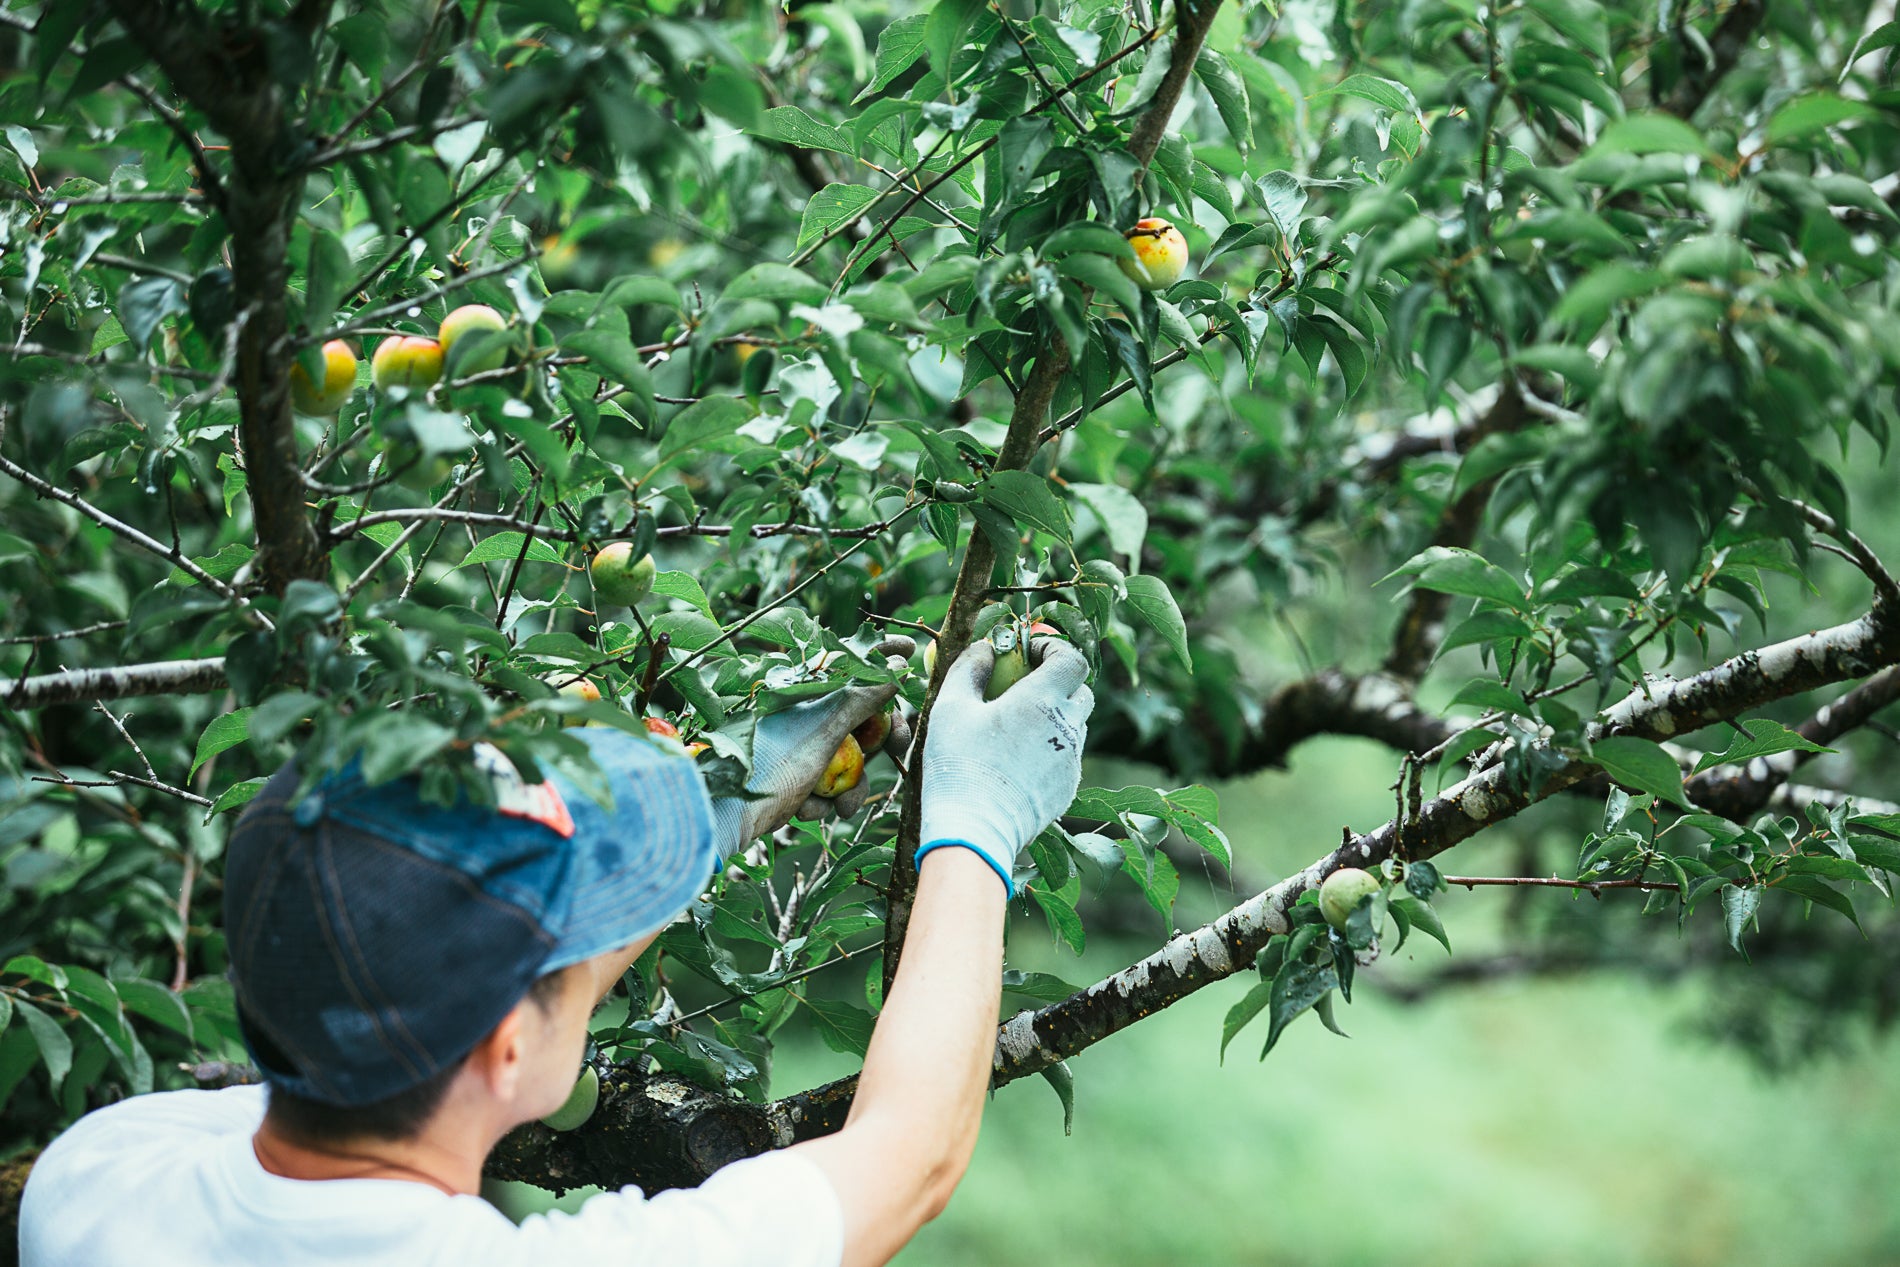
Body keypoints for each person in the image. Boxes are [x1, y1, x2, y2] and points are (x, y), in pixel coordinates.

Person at [18, 634, 1094, 1267]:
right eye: (570, 951)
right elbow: (909, 1153)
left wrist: (703, 820)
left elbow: (368, 964)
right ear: (499, 1049)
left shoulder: (99, 1179)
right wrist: (978, 822)